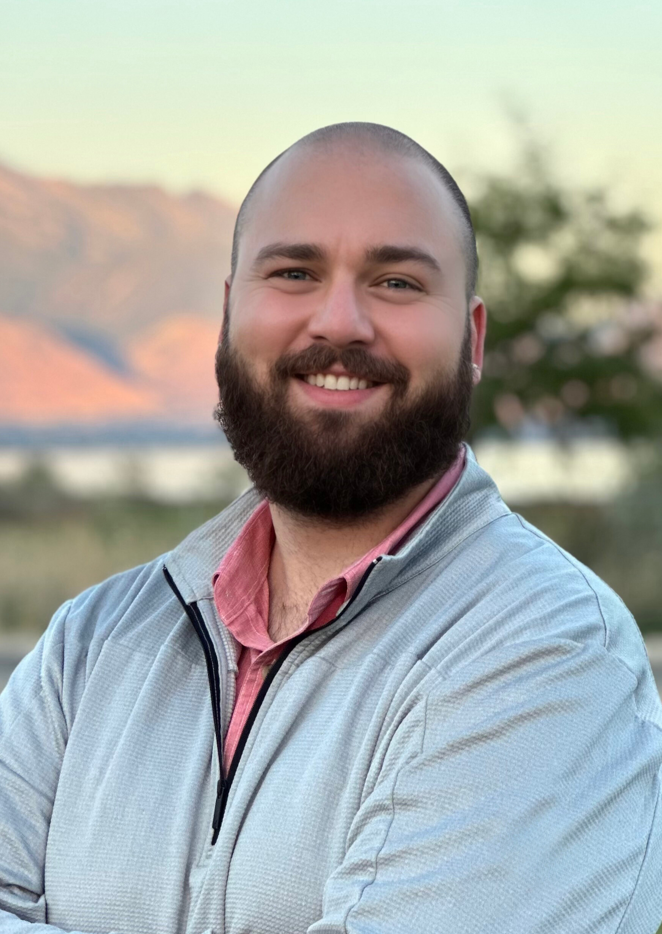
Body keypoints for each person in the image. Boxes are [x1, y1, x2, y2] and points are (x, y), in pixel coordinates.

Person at [1, 122, 661, 934]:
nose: (340, 322)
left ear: (473, 339)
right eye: (294, 271)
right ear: (227, 312)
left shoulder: (548, 652)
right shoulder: (88, 649)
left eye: (397, 283)